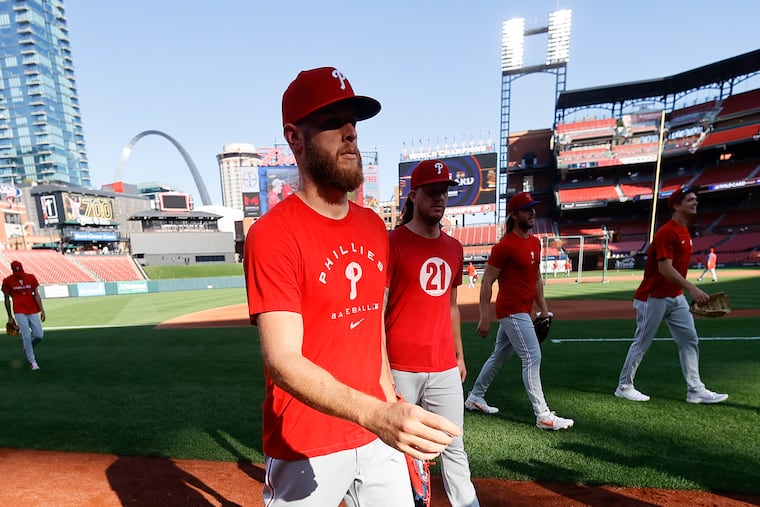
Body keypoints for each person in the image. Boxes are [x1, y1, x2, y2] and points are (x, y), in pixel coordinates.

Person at [243, 66, 460, 506]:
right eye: (331, 121)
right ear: (295, 137)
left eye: (354, 122)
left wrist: (388, 399)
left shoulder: (371, 227)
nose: (349, 133)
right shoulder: (272, 234)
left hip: (376, 434)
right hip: (306, 441)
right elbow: (282, 359)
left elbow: (371, 326)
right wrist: (377, 413)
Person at [385, 159, 480, 507]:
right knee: (395, 450)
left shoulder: (454, 247)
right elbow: (379, 310)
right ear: (414, 196)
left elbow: (451, 306)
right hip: (399, 366)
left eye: (444, 192)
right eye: (431, 191)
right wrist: (379, 367)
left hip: (443, 368)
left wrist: (459, 355)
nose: (439, 198)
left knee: (454, 446)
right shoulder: (392, 242)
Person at [465, 192, 574, 431]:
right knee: (532, 357)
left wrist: (544, 309)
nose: (532, 213)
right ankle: (543, 414)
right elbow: (486, 283)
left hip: (524, 308)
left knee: (500, 355)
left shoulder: (534, 242)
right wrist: (484, 317)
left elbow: (536, 279)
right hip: (511, 309)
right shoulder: (504, 247)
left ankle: (475, 397)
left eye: (533, 208)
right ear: (514, 215)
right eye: (526, 209)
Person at [615, 187, 728, 404]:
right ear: (677, 205)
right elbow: (665, 269)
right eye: (690, 199)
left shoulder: (685, 231)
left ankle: (695, 390)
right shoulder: (668, 232)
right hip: (653, 297)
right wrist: (693, 288)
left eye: (696, 199)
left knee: (689, 340)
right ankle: (624, 386)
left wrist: (685, 291)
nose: (695, 202)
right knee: (642, 342)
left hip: (675, 297)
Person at [2, 261, 45, 370]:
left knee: (39, 335)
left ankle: (28, 346)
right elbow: (7, 300)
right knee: (26, 336)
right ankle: (32, 361)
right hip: (19, 311)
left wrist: (42, 310)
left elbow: (36, 295)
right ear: (12, 270)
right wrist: (10, 317)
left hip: (32, 309)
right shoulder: (7, 281)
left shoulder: (31, 278)